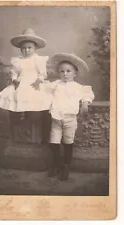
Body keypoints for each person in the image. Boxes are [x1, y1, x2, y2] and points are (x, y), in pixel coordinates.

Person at [44, 53, 94, 181]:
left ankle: (66, 166)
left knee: (68, 142)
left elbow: (87, 94)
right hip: (56, 118)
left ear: (74, 73)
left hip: (70, 119)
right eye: (62, 71)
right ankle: (57, 164)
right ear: (58, 73)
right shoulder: (56, 84)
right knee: (53, 142)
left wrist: (85, 102)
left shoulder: (78, 87)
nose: (65, 74)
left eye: (68, 71)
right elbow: (44, 89)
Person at [0, 28, 51, 142]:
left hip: (33, 83)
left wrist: (39, 80)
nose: (27, 50)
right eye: (24, 48)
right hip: (21, 83)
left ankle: (34, 128)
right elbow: (14, 73)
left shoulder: (38, 60)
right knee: (17, 96)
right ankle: (21, 121)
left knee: (35, 99)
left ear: (35, 48)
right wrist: (14, 79)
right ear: (20, 49)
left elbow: (43, 73)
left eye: (29, 48)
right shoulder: (17, 60)